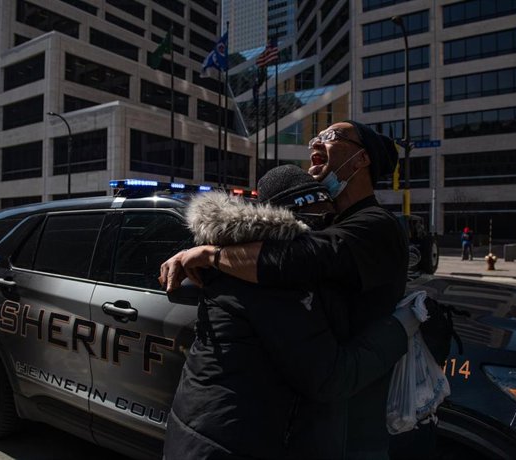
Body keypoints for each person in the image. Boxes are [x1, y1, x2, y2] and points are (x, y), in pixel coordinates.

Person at [161, 121, 410, 459]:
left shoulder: (374, 224)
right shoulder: (315, 233)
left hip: (353, 413)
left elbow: (298, 258)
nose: (314, 143)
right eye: (315, 136)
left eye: (330, 137)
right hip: (309, 420)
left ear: (361, 159)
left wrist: (211, 253)